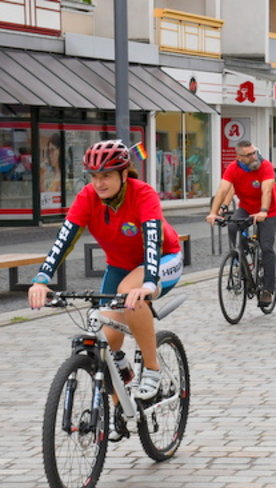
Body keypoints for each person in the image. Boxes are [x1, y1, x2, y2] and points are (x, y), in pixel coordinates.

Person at [28, 139, 183, 440]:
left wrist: (149, 283)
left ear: (124, 174)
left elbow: (153, 239)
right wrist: (41, 278)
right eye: (94, 176)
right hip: (120, 265)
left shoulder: (143, 194)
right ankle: (124, 410)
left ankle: (151, 369)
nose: (99, 183)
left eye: (107, 176)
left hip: (162, 259)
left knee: (130, 294)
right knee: (108, 340)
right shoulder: (87, 197)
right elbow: (65, 239)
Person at [207, 140, 276, 307]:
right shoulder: (233, 168)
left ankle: (268, 290)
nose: (254, 156)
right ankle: (241, 255)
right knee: (232, 225)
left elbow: (266, 190)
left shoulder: (265, 166)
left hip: (267, 209)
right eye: (249, 155)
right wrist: (213, 212)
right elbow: (223, 189)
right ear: (239, 157)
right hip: (246, 207)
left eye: (254, 152)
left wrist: (263, 211)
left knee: (266, 247)